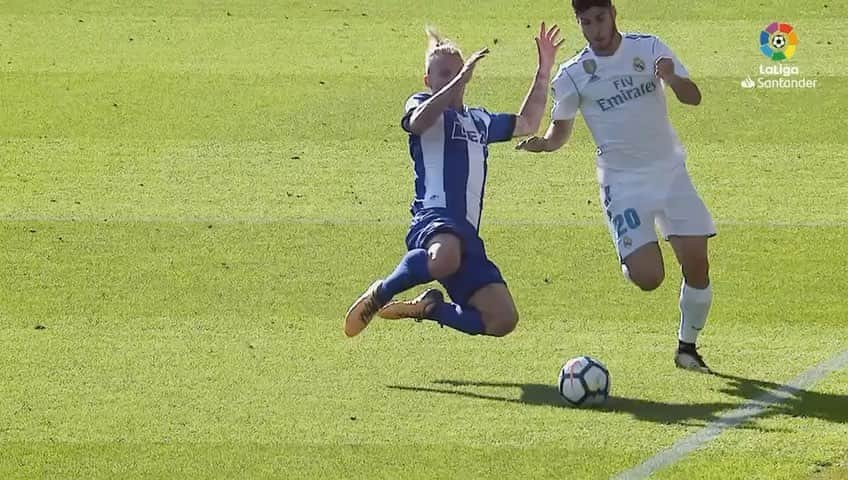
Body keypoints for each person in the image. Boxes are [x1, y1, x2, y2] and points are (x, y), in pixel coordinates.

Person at [516, 0, 715, 372]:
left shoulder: (649, 48)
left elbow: (694, 97)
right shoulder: (573, 73)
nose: (596, 29)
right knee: (648, 278)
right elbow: (560, 131)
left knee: (698, 267)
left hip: (670, 174)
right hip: (622, 185)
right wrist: (544, 144)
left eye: (600, 18)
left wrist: (671, 79)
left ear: (613, 13)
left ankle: (687, 348)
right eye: (586, 22)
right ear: (579, 23)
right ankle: (630, 255)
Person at [344, 23, 563, 338]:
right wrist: (456, 82)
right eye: (442, 74)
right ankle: (381, 292)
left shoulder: (479, 121)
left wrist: (543, 71)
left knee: (502, 319)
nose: (452, 79)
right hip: (434, 218)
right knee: (446, 255)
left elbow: (528, 122)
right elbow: (417, 122)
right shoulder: (422, 105)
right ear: (428, 80)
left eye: (457, 73)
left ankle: (432, 308)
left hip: (466, 234)